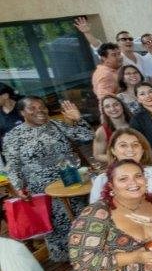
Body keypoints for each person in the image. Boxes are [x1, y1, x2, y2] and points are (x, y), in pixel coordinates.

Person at [2, 96, 93, 262]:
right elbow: (12, 166)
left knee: (84, 220)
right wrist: (19, 188)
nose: (40, 111)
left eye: (42, 107)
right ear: (22, 113)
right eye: (32, 108)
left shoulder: (57, 125)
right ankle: (71, 261)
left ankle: (91, 254)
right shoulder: (13, 136)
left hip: (72, 184)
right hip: (43, 191)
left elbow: (87, 136)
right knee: (60, 227)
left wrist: (78, 120)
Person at [89, 128, 152, 205]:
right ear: (113, 150)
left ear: (142, 150)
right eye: (123, 145)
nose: (130, 149)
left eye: (135, 145)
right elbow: (96, 211)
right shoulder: (102, 180)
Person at [92, 95, 131, 167]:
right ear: (104, 110)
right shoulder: (102, 131)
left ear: (122, 105)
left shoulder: (136, 122)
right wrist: (120, 158)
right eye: (107, 106)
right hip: (120, 166)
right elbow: (98, 155)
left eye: (116, 104)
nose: (112, 109)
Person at [129, 83, 152, 151]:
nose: (148, 96)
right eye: (142, 94)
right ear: (138, 99)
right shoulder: (136, 120)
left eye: (150, 91)